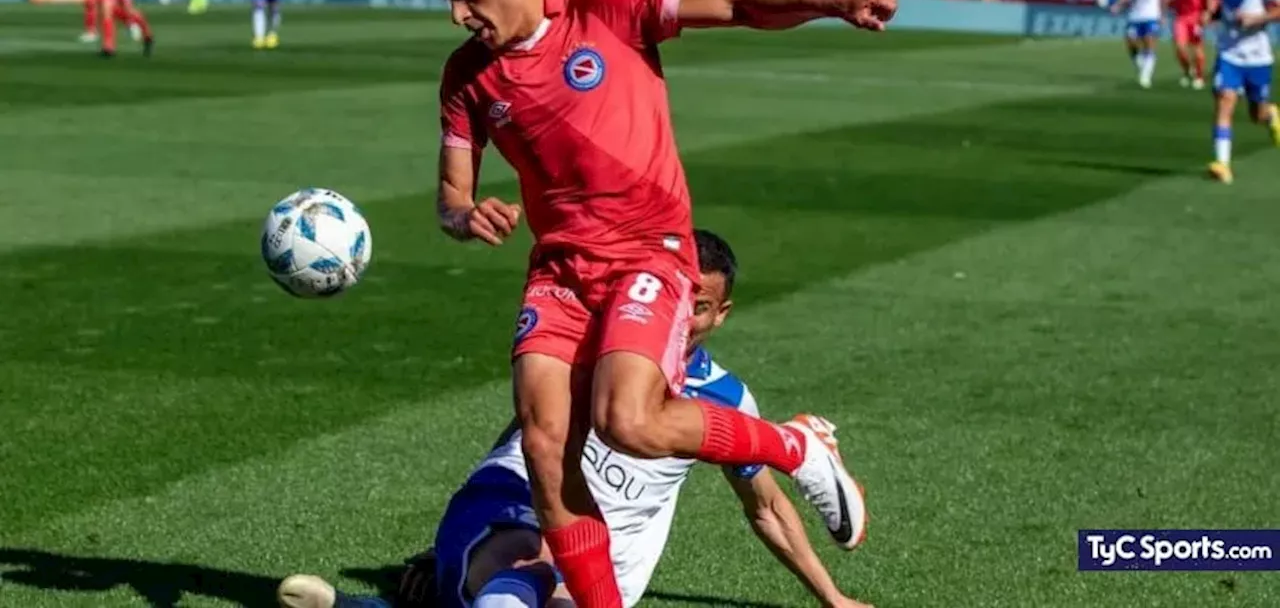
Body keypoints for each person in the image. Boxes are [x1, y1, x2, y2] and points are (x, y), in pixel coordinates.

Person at [424, 0, 894, 608]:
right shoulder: (466, 77)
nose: (459, 15)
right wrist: (466, 217)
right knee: (547, 453)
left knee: (630, 423)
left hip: (649, 252)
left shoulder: (610, 6)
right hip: (559, 272)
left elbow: (736, 7)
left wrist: (836, 2)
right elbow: (451, 196)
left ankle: (795, 447)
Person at [275, 230, 872, 608]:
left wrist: (833, 598)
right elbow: (527, 434)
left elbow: (765, 508)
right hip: (512, 516)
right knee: (530, 551)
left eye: (701, 308)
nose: (682, 319)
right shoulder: (583, 349)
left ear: (721, 315)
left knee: (551, 586)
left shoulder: (725, 401)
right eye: (675, 299)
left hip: (595, 576)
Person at [1206, 0, 1280, 184]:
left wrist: (1257, 18)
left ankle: (1271, 115)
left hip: (1258, 57)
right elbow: (1222, 10)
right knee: (1225, 101)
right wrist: (1211, 16)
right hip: (1230, 54)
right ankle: (1222, 164)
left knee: (1256, 115)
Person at [1111, 0, 1169, 89]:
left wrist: (1162, 14)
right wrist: (1118, 5)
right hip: (1135, 15)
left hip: (1151, 15)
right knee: (1130, 41)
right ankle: (1140, 63)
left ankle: (1146, 75)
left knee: (1149, 42)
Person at [1171, 0, 1211, 90]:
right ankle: (1188, 70)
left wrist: (1207, 13)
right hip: (1181, 18)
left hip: (1195, 17)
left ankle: (1199, 76)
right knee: (1179, 47)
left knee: (1197, 49)